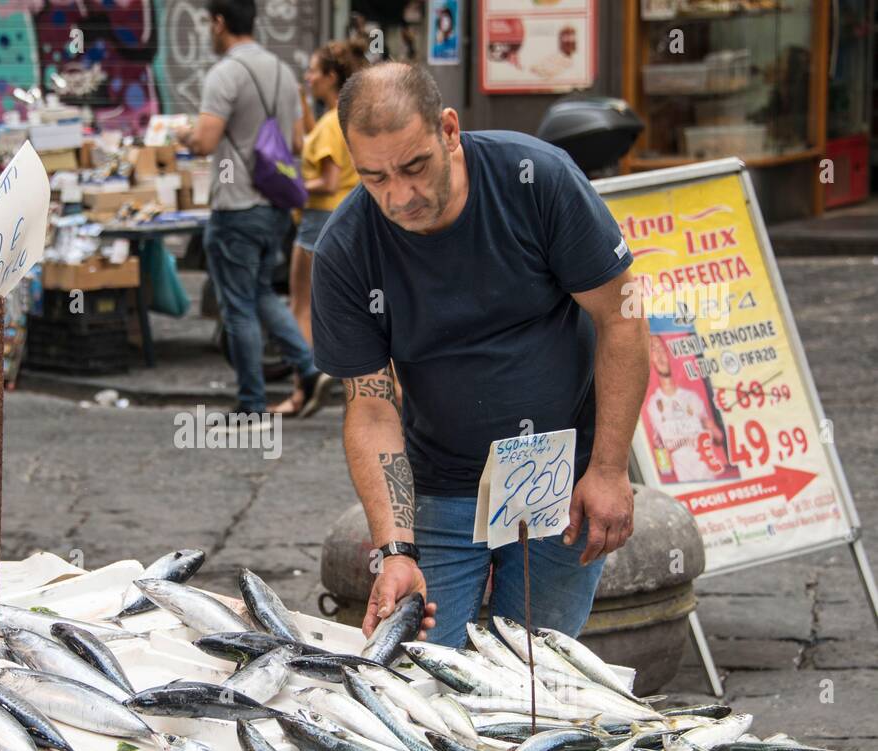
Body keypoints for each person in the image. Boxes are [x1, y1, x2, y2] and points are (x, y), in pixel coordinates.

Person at [311, 63, 649, 648]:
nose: (400, 196)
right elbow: (371, 406)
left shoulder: (536, 179)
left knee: (539, 676)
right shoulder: (345, 248)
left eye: (414, 166)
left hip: (557, 473)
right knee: (426, 681)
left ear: (448, 129)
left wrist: (610, 468)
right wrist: (395, 548)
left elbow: (621, 316)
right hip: (441, 481)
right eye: (375, 177)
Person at [178, 0, 325, 418]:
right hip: (274, 207)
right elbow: (298, 143)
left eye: (209, 23)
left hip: (237, 205)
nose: (209, 30)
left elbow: (205, 142)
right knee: (260, 293)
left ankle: (251, 405)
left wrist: (183, 135)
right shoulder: (283, 71)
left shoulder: (225, 72)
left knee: (238, 306)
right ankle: (310, 368)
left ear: (220, 23)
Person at [292, 39, 365, 349]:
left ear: (330, 77)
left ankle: (305, 383)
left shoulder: (328, 124)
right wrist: (304, 107)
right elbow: (316, 137)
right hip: (346, 217)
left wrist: (291, 187)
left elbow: (329, 181)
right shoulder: (347, 117)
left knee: (302, 306)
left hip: (318, 220)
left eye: (312, 72)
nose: (308, 78)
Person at [644, 334, 730, 484]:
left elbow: (717, 437)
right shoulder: (652, 405)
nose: (659, 354)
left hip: (710, 477)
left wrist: (713, 430)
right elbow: (659, 447)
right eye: (653, 349)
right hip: (684, 484)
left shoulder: (692, 398)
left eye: (661, 349)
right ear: (649, 359)